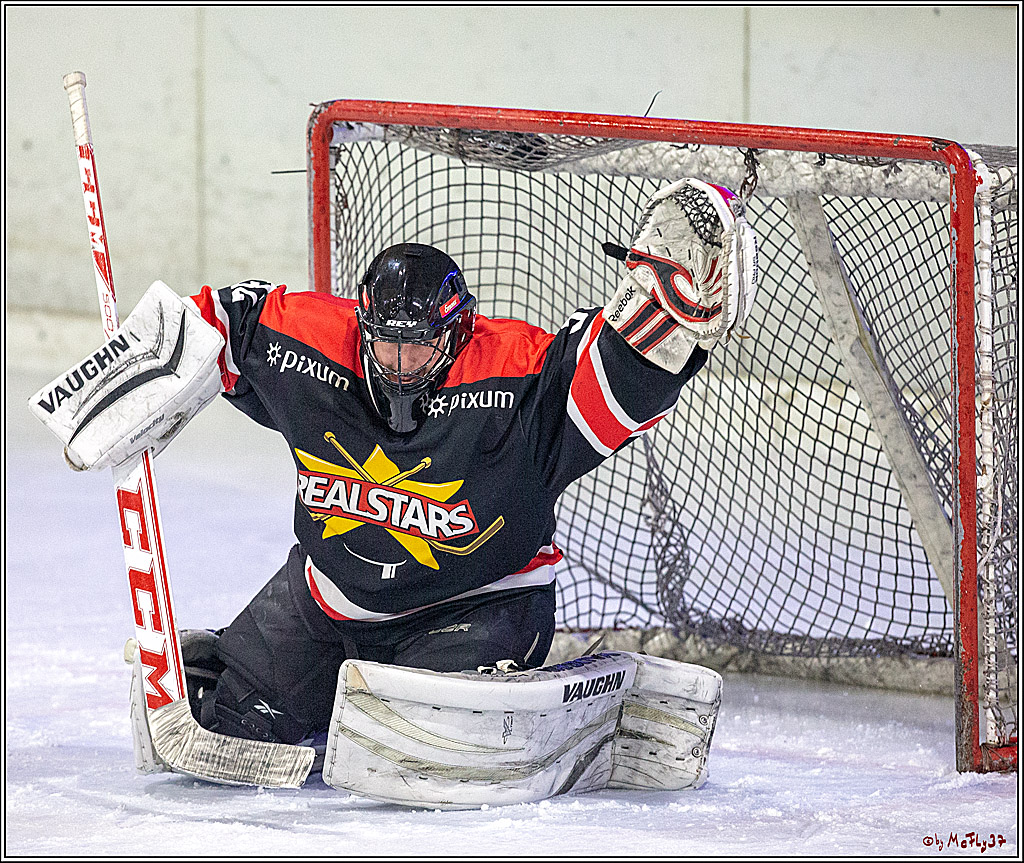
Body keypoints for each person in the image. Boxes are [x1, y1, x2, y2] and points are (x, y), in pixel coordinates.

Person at [32, 178, 757, 752]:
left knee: (419, 741)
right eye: (387, 344)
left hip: (477, 604)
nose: (401, 364)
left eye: (421, 348)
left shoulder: (515, 380)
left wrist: (672, 308)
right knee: (230, 721)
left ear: (458, 332)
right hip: (329, 598)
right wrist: (158, 357)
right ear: (363, 326)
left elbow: (613, 371)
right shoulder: (314, 348)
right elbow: (224, 318)